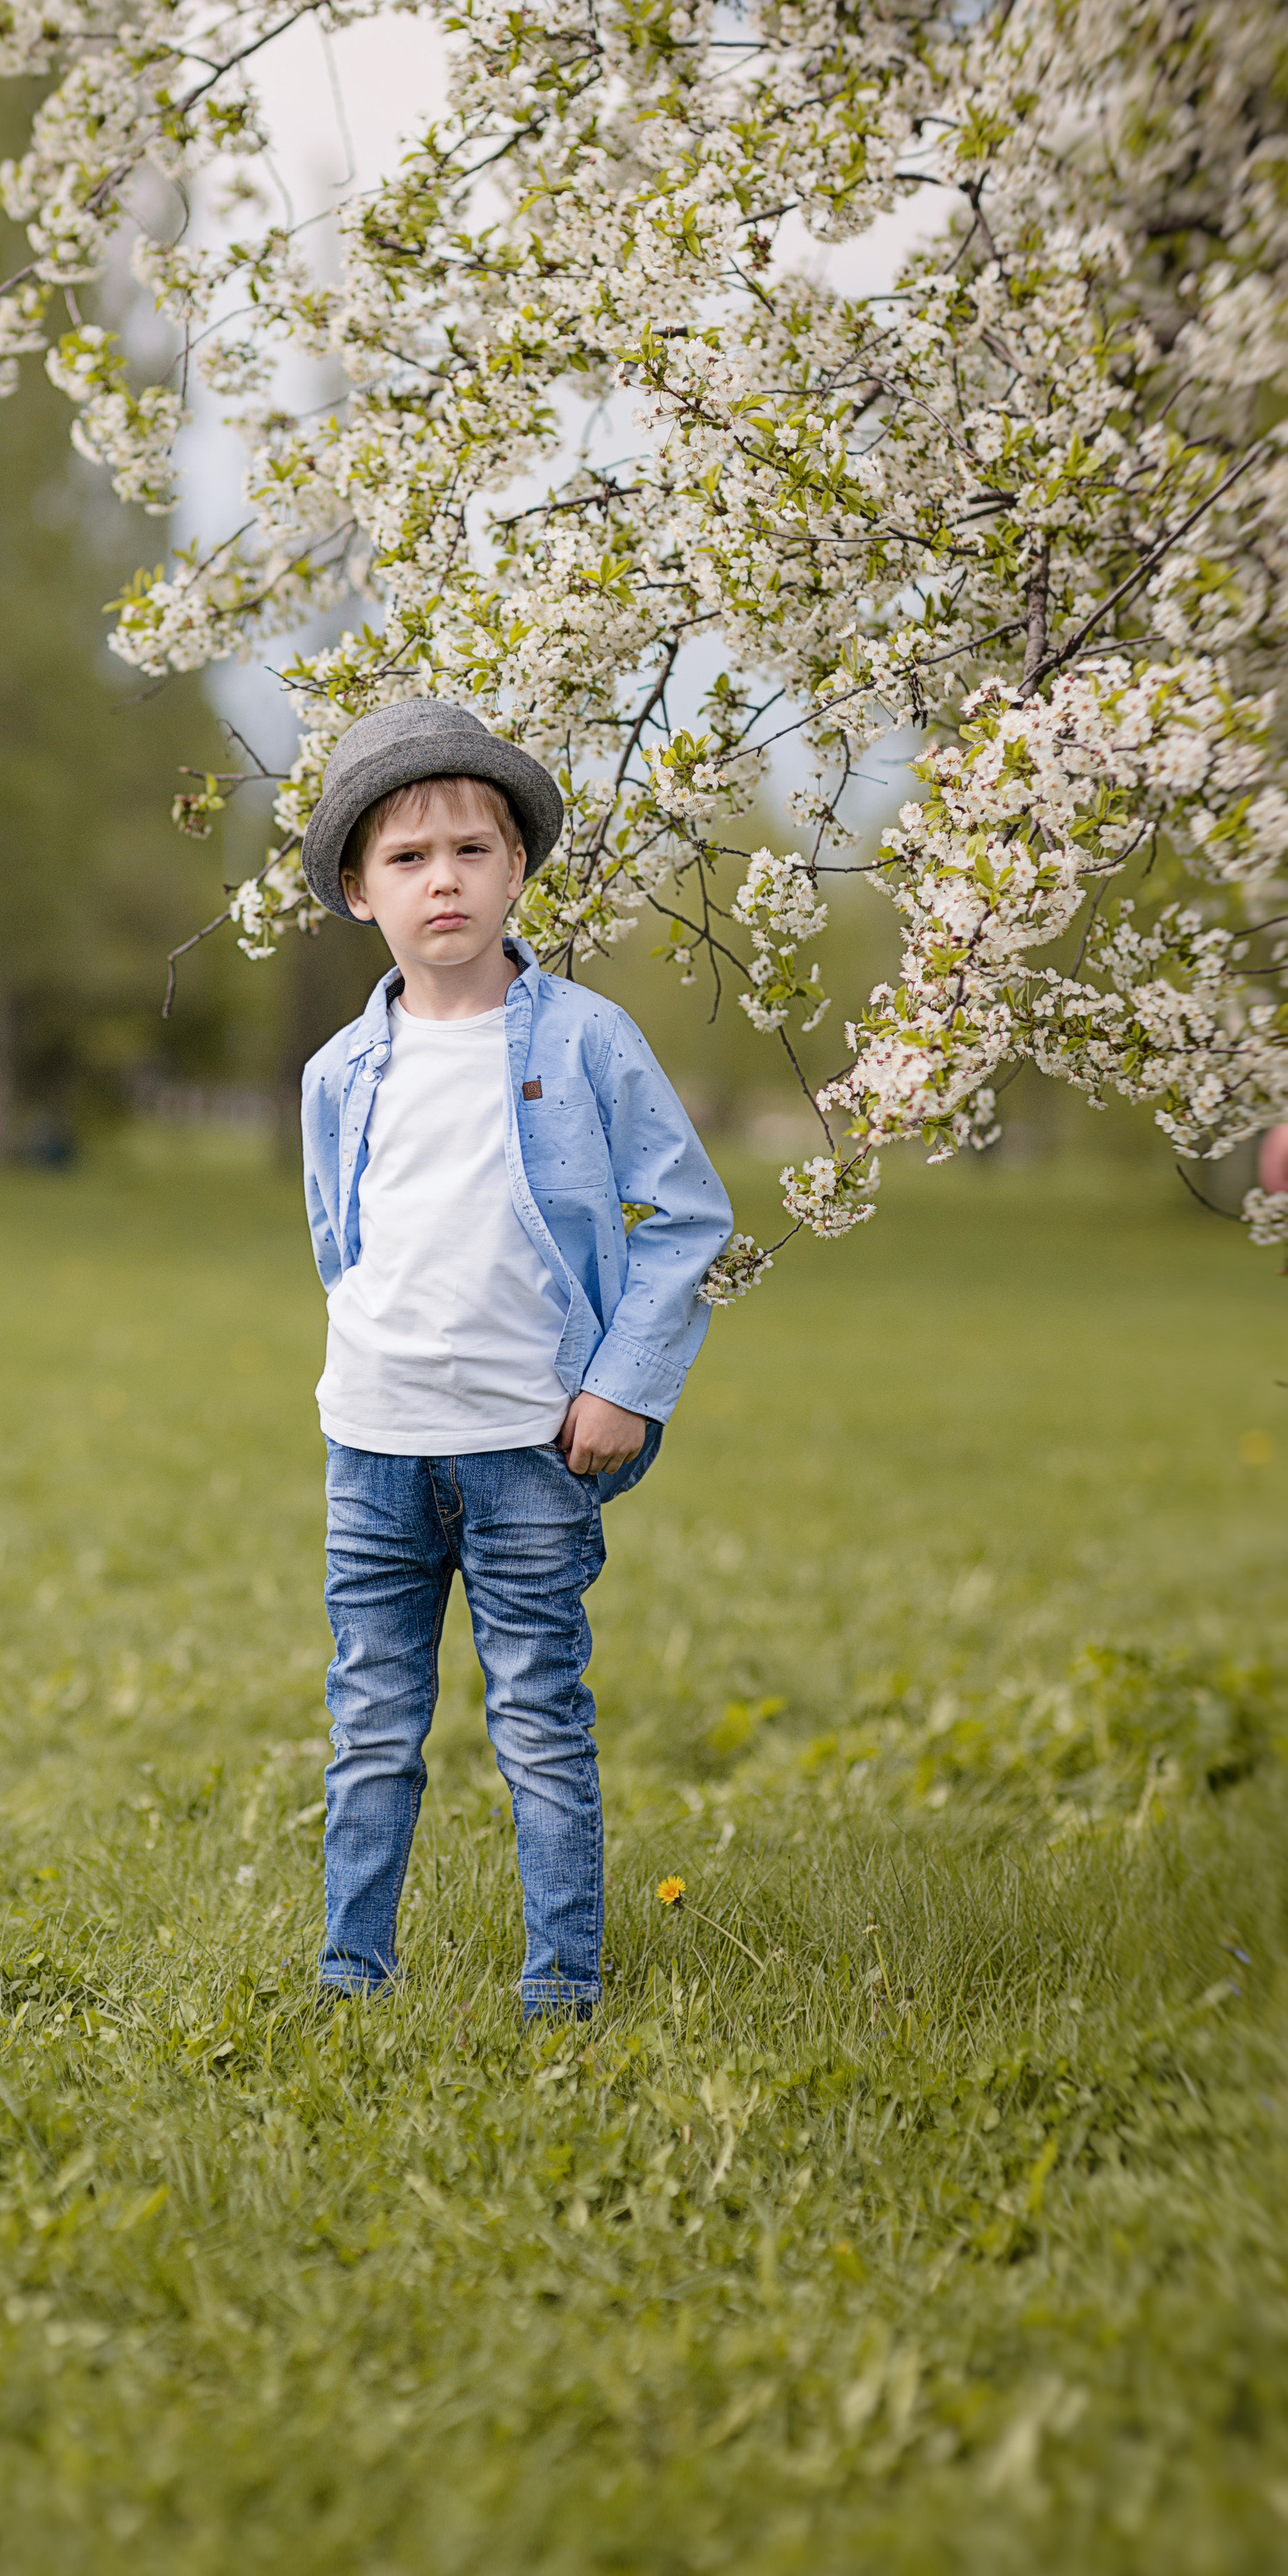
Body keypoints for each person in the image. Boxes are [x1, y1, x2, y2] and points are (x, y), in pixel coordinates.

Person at [297, 701, 734, 2020]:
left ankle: (560, 1986)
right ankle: (351, 1973)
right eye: (410, 859)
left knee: (539, 1719)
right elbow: (341, 1238)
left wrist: (622, 1385)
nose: (445, 880)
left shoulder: (587, 1042)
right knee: (373, 1723)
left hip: (529, 1450)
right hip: (371, 1448)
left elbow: (688, 1216)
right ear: (362, 895)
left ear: (518, 870)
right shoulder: (339, 1071)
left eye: (472, 850)